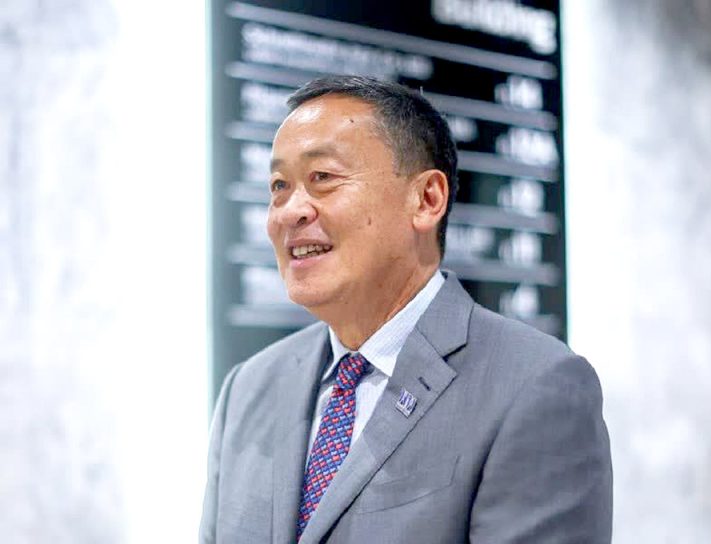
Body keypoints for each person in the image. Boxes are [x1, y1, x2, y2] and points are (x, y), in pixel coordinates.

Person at [199, 75, 612, 544]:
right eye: (278, 185)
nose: (290, 212)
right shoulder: (247, 389)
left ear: (427, 199)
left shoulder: (536, 386)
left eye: (323, 178)